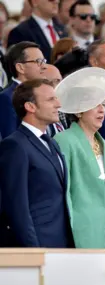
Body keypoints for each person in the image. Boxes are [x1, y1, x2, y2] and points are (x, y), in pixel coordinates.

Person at [54, 67, 105, 248]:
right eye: (95, 105)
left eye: (103, 104)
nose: (101, 110)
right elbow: (64, 190)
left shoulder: (104, 144)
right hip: (80, 228)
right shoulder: (64, 140)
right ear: (78, 111)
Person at [0, 79, 73, 248]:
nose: (58, 104)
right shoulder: (15, 146)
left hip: (62, 244)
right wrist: (33, 249)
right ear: (30, 107)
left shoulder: (52, 143)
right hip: (38, 245)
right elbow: (17, 207)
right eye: (50, 100)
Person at [0, 41, 45, 138]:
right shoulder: (7, 98)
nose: (44, 66)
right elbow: (10, 139)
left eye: (44, 61)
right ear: (20, 68)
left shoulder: (38, 92)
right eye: (38, 61)